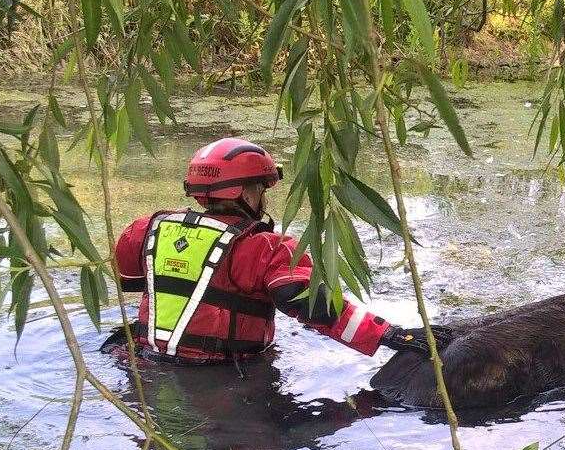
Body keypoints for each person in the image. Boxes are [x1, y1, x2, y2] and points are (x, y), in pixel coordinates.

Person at [106, 137, 431, 365]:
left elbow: (132, 282)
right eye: (261, 189)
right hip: (224, 379)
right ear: (246, 193)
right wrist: (389, 334)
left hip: (148, 368)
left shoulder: (146, 230)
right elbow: (312, 304)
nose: (263, 198)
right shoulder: (264, 249)